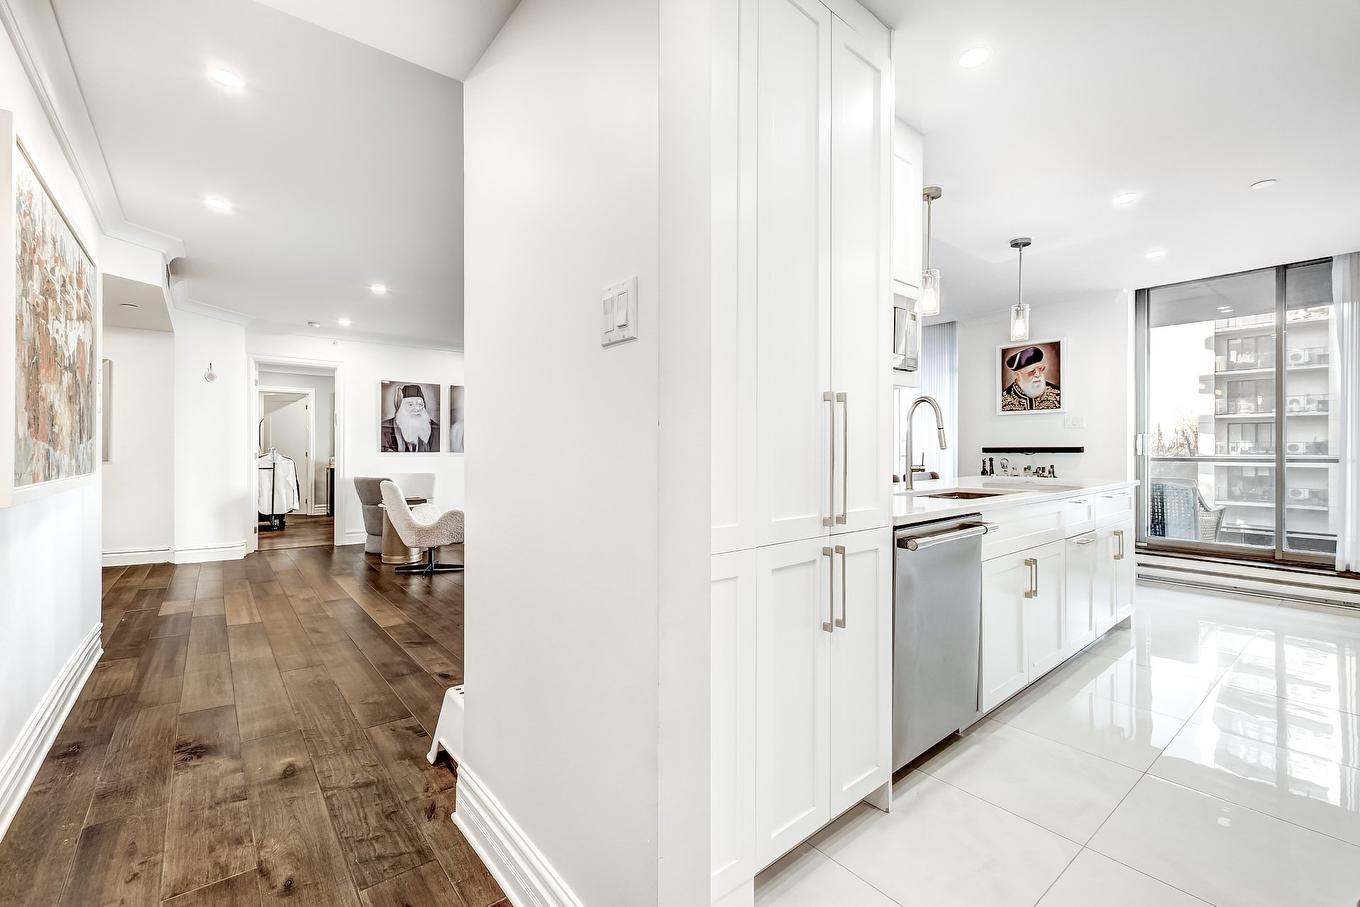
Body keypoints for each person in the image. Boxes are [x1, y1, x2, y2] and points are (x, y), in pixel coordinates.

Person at [1000, 345, 1061, 411]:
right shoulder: (1003, 399)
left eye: (1040, 369)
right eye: (1032, 371)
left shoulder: (1058, 394)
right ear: (1017, 375)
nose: (1038, 374)